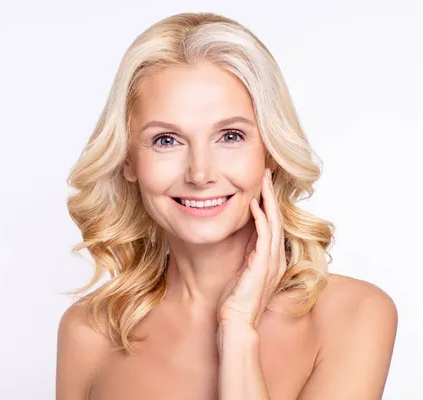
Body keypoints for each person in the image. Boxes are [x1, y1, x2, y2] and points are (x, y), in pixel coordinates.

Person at [56, 12, 398, 400]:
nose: (200, 173)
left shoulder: (353, 315)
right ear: (128, 161)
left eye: (230, 135)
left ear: (270, 152)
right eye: (167, 140)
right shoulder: (89, 332)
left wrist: (238, 330)